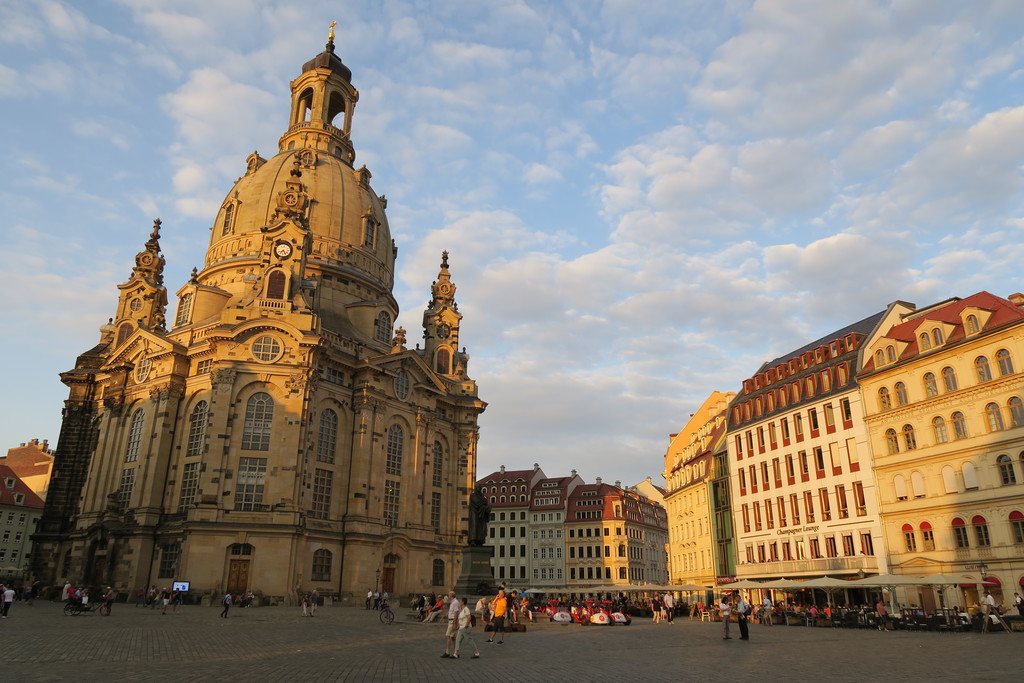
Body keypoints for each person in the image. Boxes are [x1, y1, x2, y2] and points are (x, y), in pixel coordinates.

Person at [441, 590, 463, 658]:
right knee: (453, 637)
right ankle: (457, 652)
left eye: (449, 595)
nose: (448, 596)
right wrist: (445, 616)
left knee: (447, 636)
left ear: (451, 596)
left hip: (453, 621)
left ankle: (447, 652)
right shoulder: (453, 602)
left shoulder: (455, 602)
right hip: (451, 620)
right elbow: (452, 612)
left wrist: (454, 623)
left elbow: (456, 613)